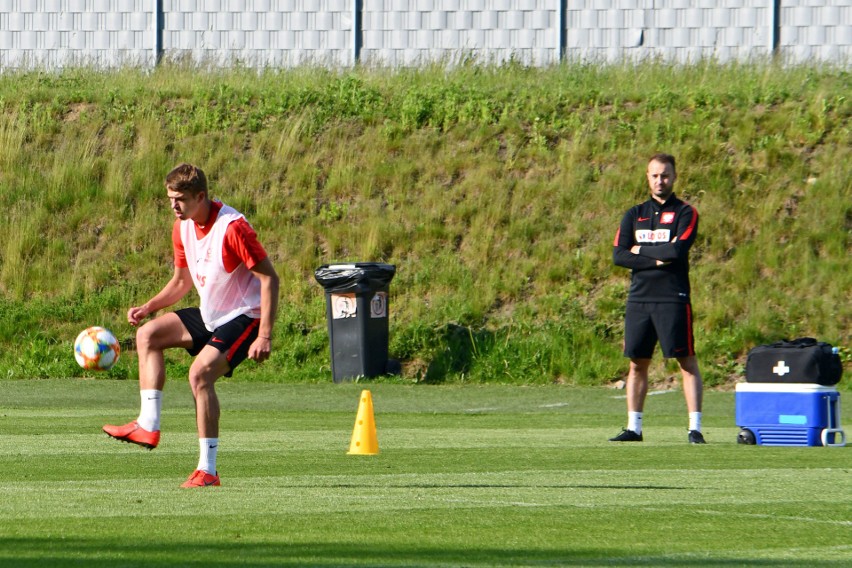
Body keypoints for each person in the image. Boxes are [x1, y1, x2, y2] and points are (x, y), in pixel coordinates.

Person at [103, 163, 280, 486]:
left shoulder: (233, 228)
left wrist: (264, 335)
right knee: (148, 335)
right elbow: (181, 281)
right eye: (170, 198)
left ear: (201, 196)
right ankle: (148, 425)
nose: (173, 205)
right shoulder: (181, 226)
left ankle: (208, 471)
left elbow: (269, 278)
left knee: (199, 375)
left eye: (180, 199)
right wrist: (149, 306)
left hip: (245, 316)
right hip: (212, 313)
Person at [610, 153, 705, 444]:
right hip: (639, 299)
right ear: (647, 177)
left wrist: (640, 252)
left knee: (685, 361)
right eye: (654, 175)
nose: (659, 180)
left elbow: (677, 252)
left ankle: (695, 429)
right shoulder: (634, 214)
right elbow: (619, 255)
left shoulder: (686, 213)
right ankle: (634, 428)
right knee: (637, 364)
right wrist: (655, 258)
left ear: (674, 177)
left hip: (673, 298)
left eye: (665, 175)